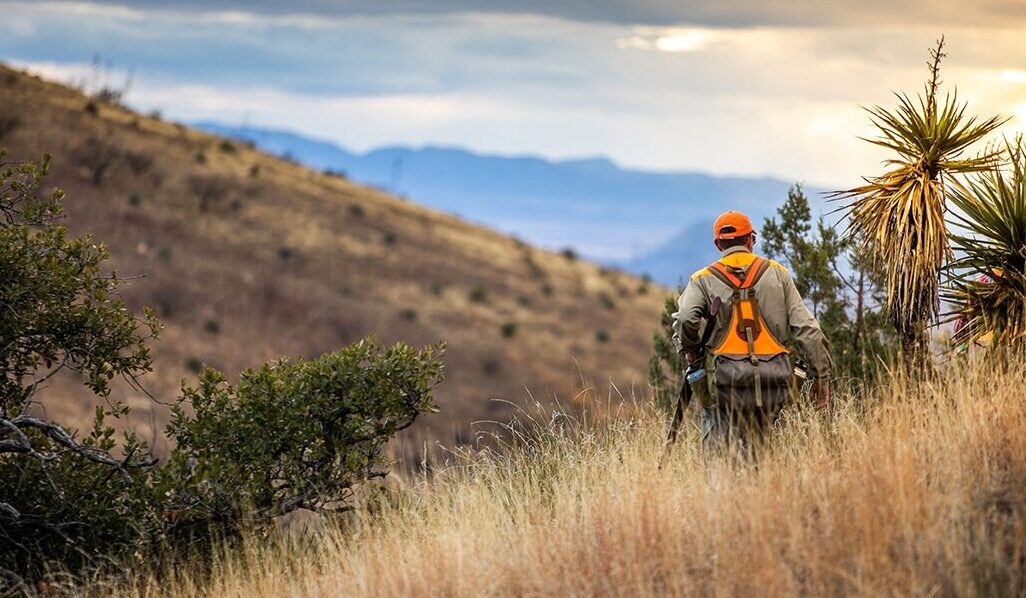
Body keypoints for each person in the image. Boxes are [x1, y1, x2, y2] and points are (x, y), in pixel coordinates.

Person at [672, 210, 832, 456]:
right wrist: (821, 377)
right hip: (775, 383)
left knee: (721, 462)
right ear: (750, 241)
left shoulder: (702, 279)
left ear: (718, 245)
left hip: (723, 385)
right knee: (768, 454)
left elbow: (684, 318)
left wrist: (690, 351)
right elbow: (808, 330)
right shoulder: (778, 273)